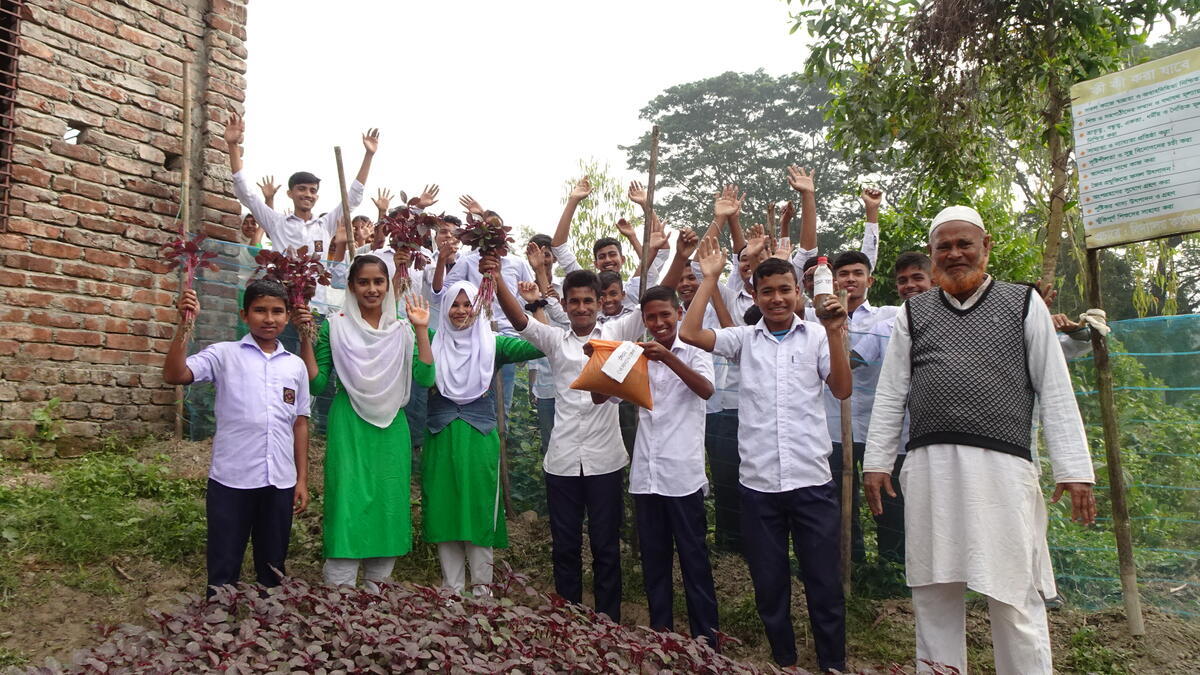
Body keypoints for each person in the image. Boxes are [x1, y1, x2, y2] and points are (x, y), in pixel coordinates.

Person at [863, 206, 1096, 674]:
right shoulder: (913, 312)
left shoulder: (1023, 303)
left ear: (985, 247)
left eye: (964, 244)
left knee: (1013, 594)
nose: (954, 254)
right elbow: (892, 392)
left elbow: (1054, 386)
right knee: (933, 592)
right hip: (930, 470)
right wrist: (877, 461)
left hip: (1003, 472)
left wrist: (1074, 471)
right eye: (943, 247)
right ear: (931, 256)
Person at [680, 240, 852, 672]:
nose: (777, 298)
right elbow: (688, 334)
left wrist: (835, 333)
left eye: (785, 290)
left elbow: (842, 389)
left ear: (799, 292)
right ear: (754, 295)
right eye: (767, 291)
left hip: (811, 482)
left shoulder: (817, 334)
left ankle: (833, 661)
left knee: (824, 582)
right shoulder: (743, 340)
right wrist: (710, 278)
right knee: (770, 582)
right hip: (758, 486)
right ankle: (784, 659)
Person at [494, 264, 647, 622]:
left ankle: (607, 620)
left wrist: (669, 255)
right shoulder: (554, 340)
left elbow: (650, 305)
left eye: (587, 301)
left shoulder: (616, 332)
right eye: (574, 301)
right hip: (562, 461)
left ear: (598, 303)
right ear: (563, 303)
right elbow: (519, 320)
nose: (581, 308)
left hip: (605, 461)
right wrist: (495, 277)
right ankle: (568, 619)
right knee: (565, 546)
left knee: (606, 546)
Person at [295, 254, 435, 590]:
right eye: (363, 282)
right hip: (350, 425)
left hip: (391, 429)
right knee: (348, 500)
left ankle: (376, 599)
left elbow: (426, 377)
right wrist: (304, 339)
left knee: (389, 503)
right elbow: (316, 383)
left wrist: (421, 329)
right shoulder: (336, 325)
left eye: (378, 281)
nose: (372, 289)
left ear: (388, 286)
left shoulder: (402, 330)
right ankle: (339, 596)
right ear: (352, 286)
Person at [162, 280, 311, 596]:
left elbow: (300, 424)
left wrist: (301, 480)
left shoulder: (294, 366)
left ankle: (268, 623)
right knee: (224, 561)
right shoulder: (224, 355)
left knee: (273, 564)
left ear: (287, 317)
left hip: (279, 481)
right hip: (232, 480)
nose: (268, 319)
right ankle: (217, 626)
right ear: (245, 315)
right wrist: (184, 325)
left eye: (276, 311)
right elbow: (175, 375)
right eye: (260, 310)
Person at [424, 279, 544, 595]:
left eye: (468, 304)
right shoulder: (432, 340)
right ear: (445, 307)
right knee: (445, 512)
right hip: (441, 439)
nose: (461, 311)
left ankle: (481, 595)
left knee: (479, 513)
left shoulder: (493, 344)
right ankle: (450, 592)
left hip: (480, 441)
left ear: (479, 307)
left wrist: (535, 306)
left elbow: (541, 344)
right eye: (455, 304)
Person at [619, 285, 720, 645]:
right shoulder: (637, 354)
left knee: (694, 560)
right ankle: (660, 636)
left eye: (665, 314)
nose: (659, 322)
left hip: (683, 476)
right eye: (651, 317)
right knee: (654, 561)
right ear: (643, 320)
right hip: (646, 476)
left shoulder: (694, 348)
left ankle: (707, 641)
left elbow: (706, 390)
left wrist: (669, 358)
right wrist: (598, 358)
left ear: (679, 312)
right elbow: (602, 395)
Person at [824, 249, 900, 565]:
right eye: (843, 274)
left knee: (887, 498)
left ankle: (891, 567)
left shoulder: (888, 317)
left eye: (857, 273)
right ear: (833, 281)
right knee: (841, 501)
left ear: (869, 279)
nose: (850, 279)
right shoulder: (819, 320)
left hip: (875, 427)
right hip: (832, 427)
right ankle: (850, 564)